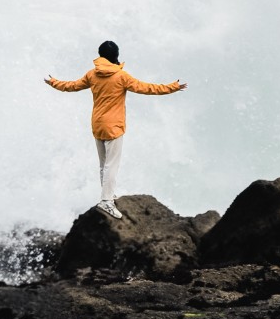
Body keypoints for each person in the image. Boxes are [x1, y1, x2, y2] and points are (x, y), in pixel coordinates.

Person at [45, 40, 186, 220]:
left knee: (104, 164)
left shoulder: (92, 74)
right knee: (112, 165)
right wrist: (173, 87)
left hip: (97, 124)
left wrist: (53, 82)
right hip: (113, 126)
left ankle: (108, 195)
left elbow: (71, 86)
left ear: (101, 55)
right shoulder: (121, 76)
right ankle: (106, 200)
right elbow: (148, 88)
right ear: (116, 55)